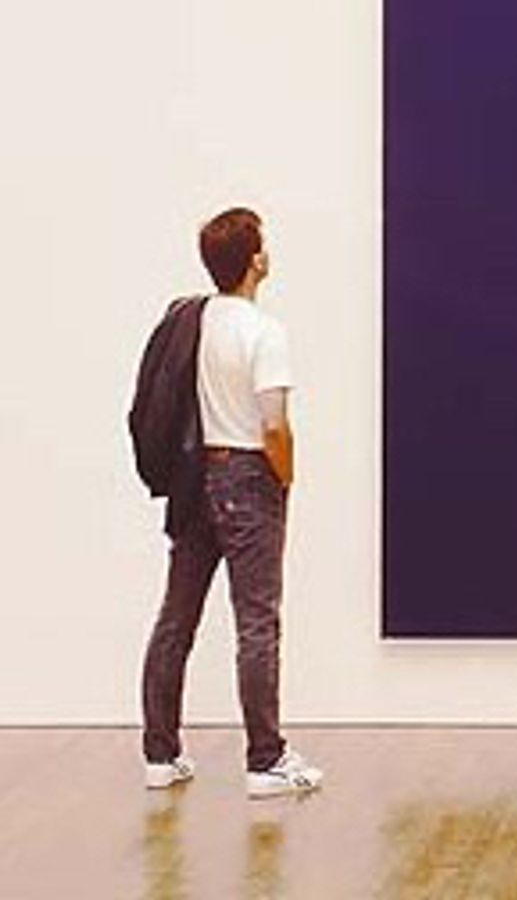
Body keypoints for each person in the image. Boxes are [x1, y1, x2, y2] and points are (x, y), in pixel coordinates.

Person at [140, 207, 323, 798]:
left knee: (176, 619)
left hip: (197, 480)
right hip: (248, 478)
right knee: (257, 622)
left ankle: (160, 756)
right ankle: (265, 760)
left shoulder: (194, 321)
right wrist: (286, 479)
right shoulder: (263, 332)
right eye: (262, 245)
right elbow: (275, 427)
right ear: (255, 261)